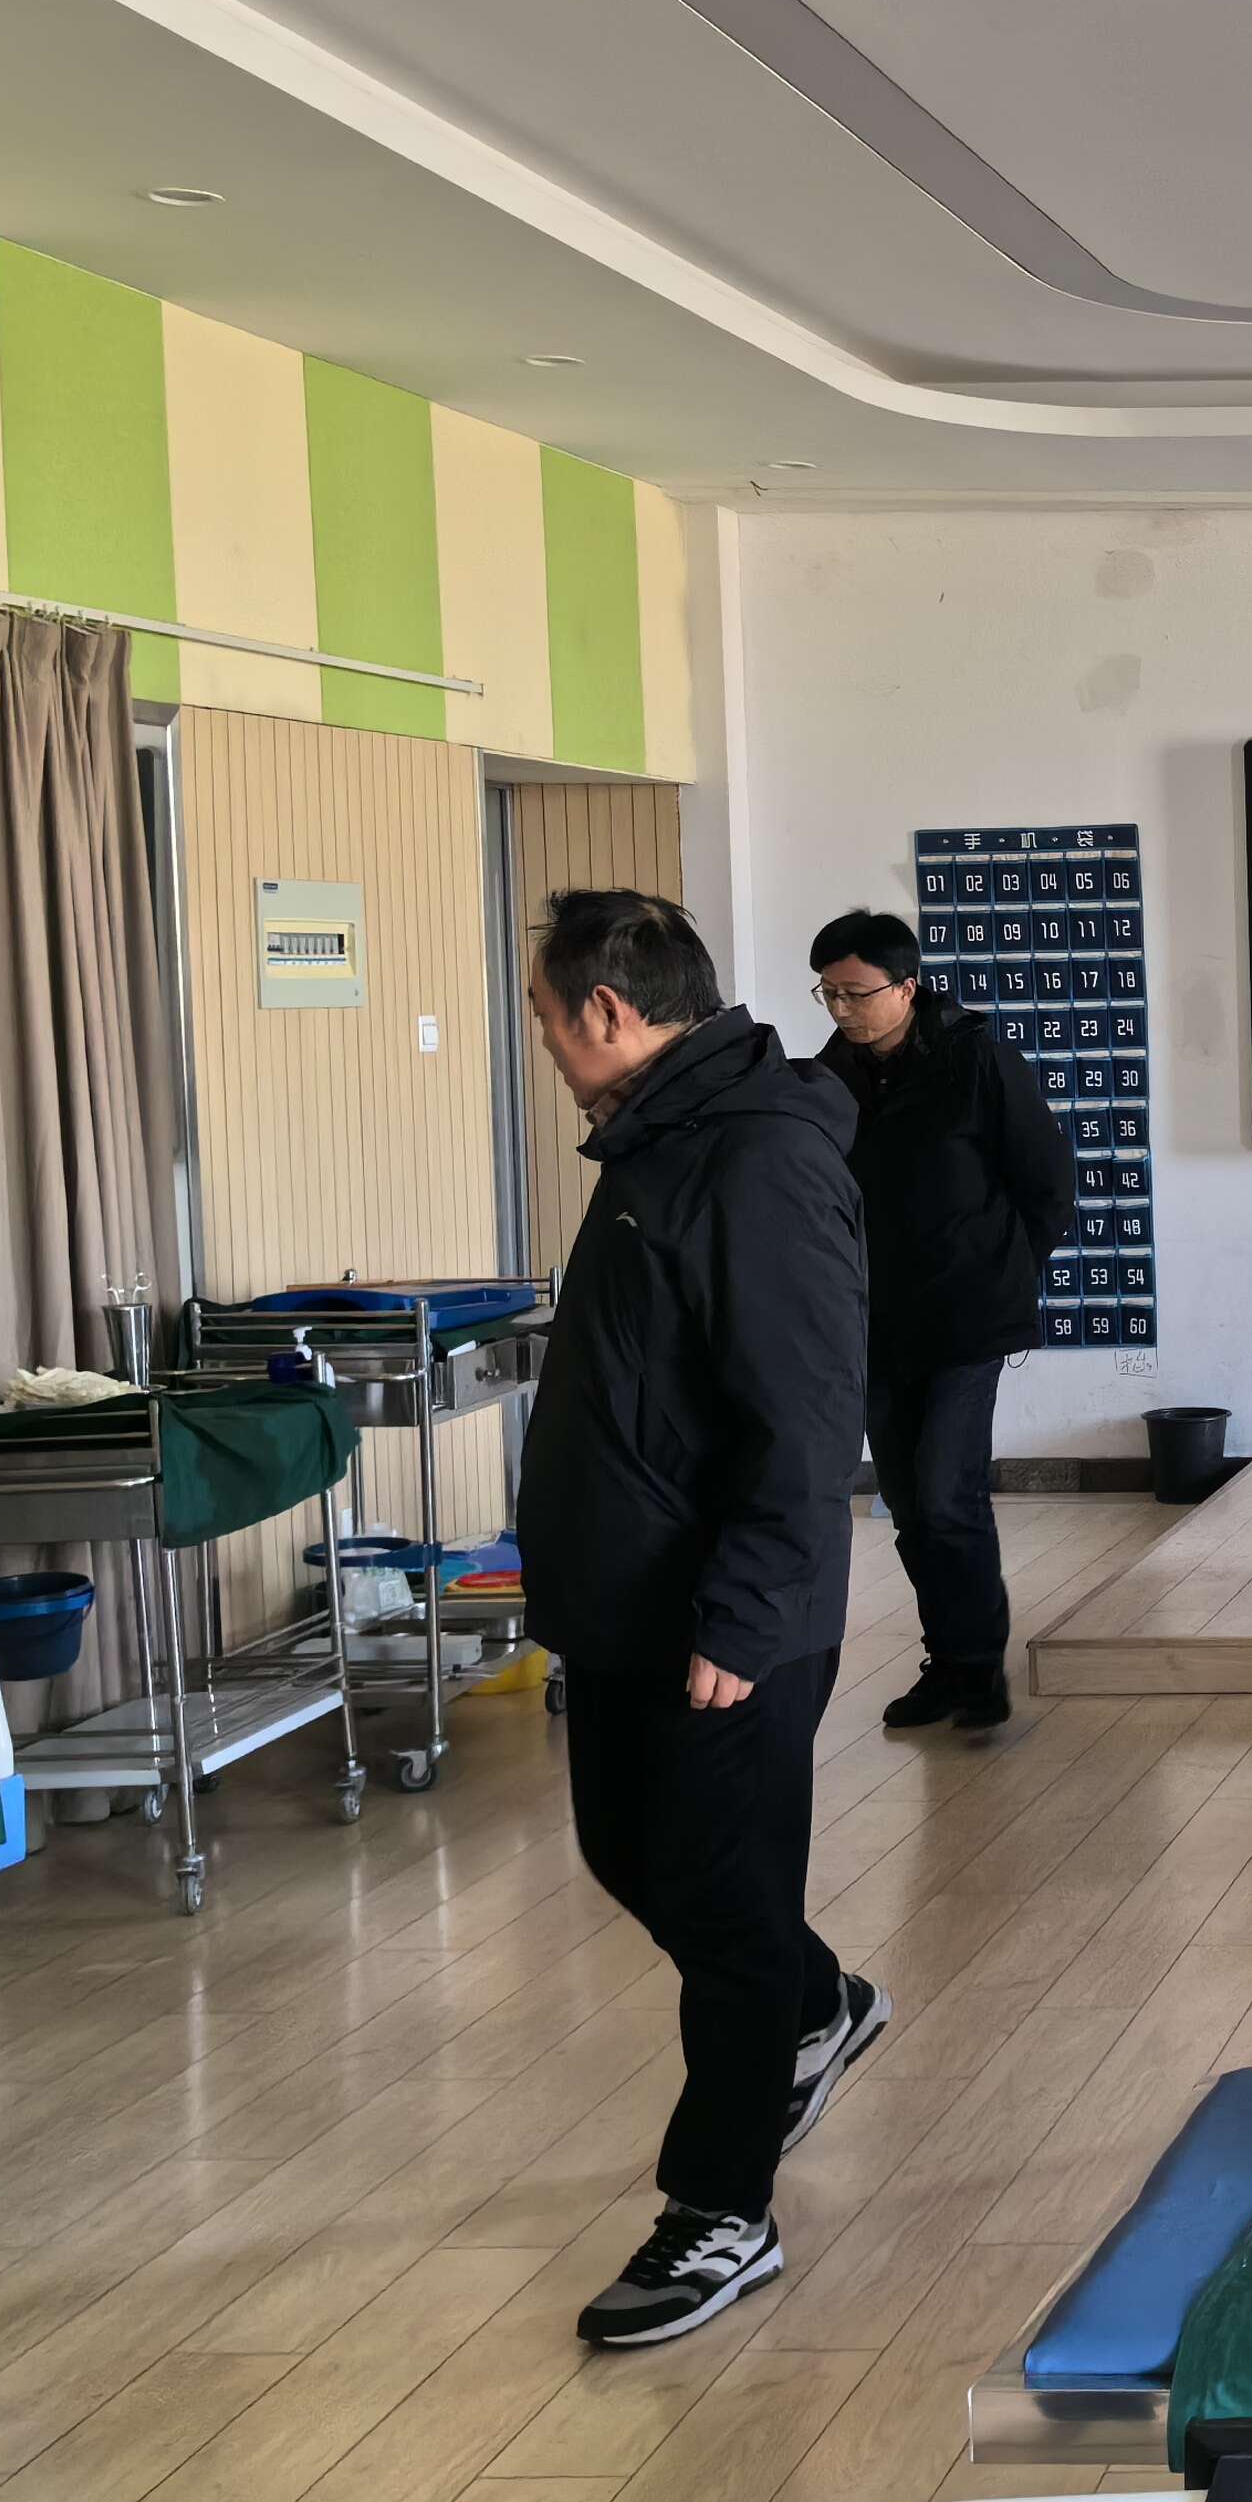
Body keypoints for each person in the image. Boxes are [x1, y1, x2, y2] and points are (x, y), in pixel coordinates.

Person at [520, 889, 890, 2349]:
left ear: (608, 1012)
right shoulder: (663, 1139)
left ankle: (721, 2213)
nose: (547, 1045)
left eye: (547, 1018)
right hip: (631, 1604)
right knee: (632, 1853)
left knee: (727, 1916)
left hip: (725, 1618)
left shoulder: (754, 1155)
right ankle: (816, 2003)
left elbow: (804, 1414)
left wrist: (742, 1617)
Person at [806, 907, 1076, 1732]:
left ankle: (979, 1670)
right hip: (873, 1323)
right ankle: (950, 1661)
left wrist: (1005, 1275)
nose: (842, 1009)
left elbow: (1047, 1181)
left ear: (907, 987)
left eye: (856, 993)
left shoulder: (977, 1057)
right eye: (829, 994)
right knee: (909, 1504)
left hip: (967, 1319)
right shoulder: (829, 1078)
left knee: (946, 1492)